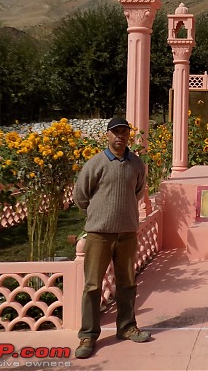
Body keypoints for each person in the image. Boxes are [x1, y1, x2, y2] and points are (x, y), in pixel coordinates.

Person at [73, 117, 150, 359]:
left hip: (127, 232)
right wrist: (98, 215)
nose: (120, 136)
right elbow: (80, 196)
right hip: (99, 234)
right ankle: (88, 335)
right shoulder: (95, 164)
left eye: (124, 132)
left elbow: (138, 191)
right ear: (107, 135)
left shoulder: (136, 164)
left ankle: (126, 327)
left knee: (127, 283)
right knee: (93, 285)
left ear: (128, 135)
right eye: (115, 132)